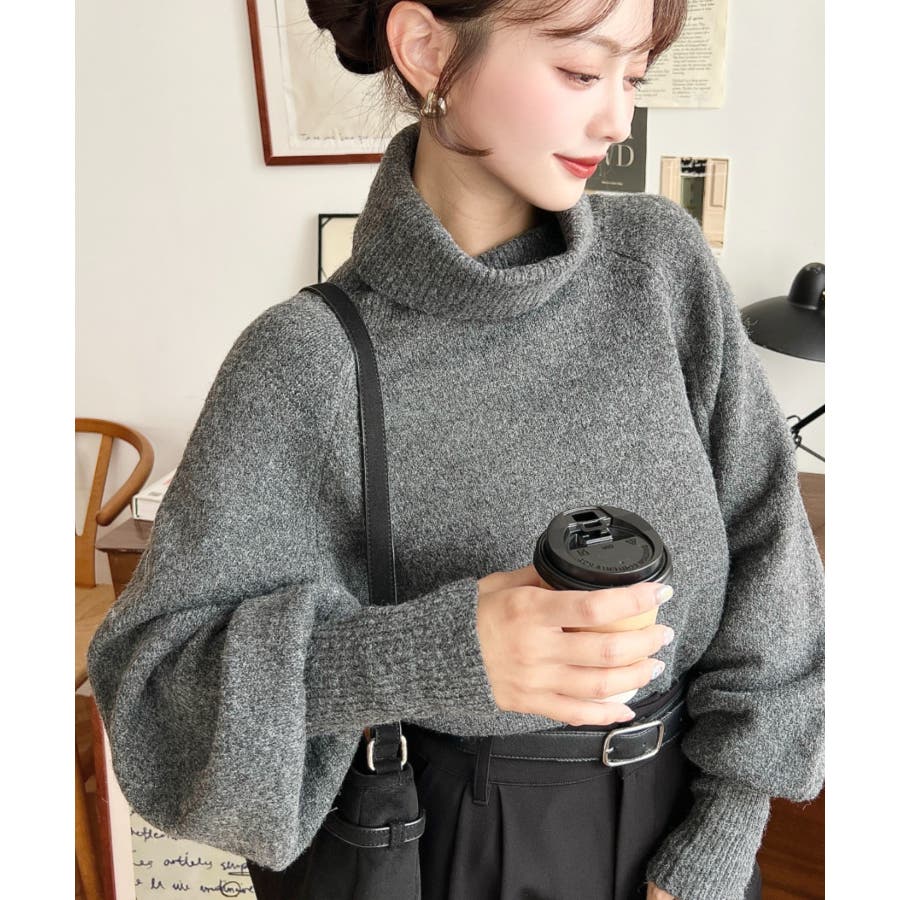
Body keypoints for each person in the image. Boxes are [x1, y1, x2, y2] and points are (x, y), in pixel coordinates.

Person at [87, 1, 825, 898]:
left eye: (633, 78)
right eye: (581, 72)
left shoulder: (662, 271)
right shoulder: (305, 360)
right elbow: (156, 700)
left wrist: (718, 844)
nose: (616, 121)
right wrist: (427, 654)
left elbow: (771, 558)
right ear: (428, 49)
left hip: (688, 834)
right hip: (445, 848)